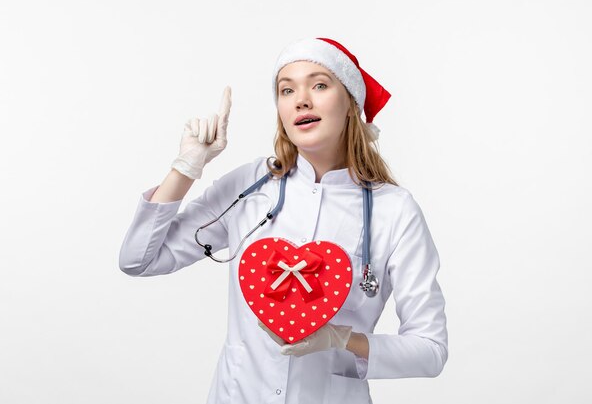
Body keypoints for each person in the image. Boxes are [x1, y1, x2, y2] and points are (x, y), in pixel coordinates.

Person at [119, 37, 448, 404]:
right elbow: (138, 260)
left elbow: (430, 349)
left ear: (352, 104)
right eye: (286, 89)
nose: (301, 99)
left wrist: (343, 339)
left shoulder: (395, 210)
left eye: (319, 85)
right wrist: (186, 167)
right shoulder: (251, 186)